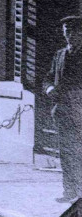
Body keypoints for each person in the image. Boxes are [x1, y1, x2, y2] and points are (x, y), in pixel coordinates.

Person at [44, 15, 82, 204]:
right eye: (66, 31)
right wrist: (49, 88)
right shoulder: (59, 55)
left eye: (72, 31)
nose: (68, 35)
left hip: (80, 110)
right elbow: (48, 78)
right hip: (63, 112)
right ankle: (70, 191)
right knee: (66, 153)